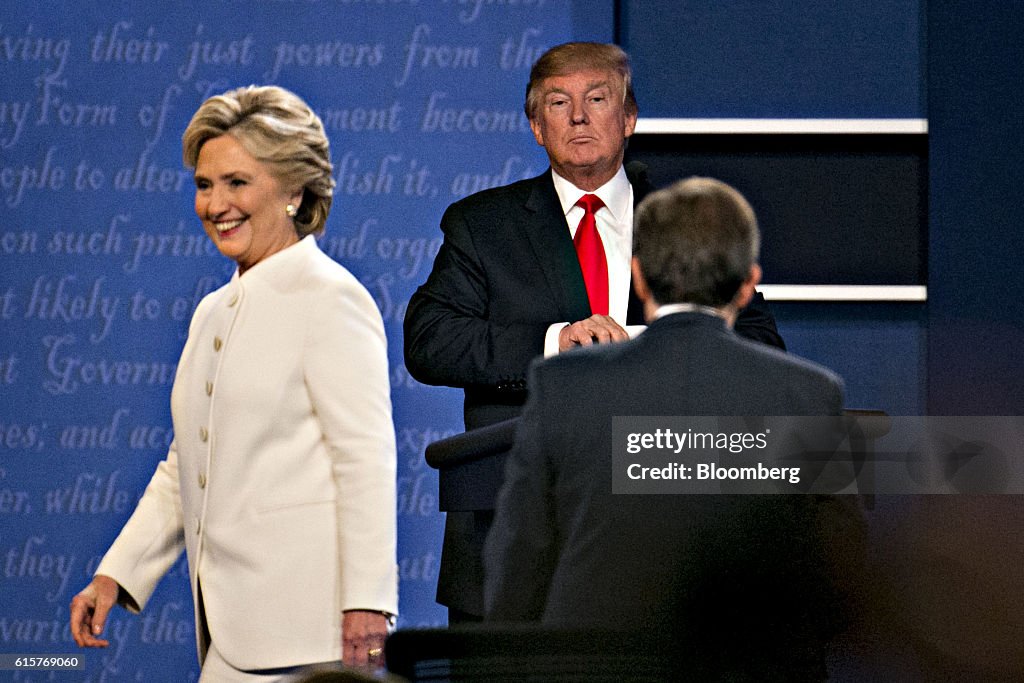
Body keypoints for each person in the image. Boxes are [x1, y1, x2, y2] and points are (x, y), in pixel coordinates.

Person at [403, 41, 783, 621]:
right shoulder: (482, 226)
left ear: (628, 118)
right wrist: (555, 341)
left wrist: (659, 344)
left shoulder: (688, 220)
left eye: (597, 99)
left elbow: (759, 342)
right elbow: (430, 341)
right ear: (536, 125)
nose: (579, 117)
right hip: (515, 546)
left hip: (667, 544)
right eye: (559, 102)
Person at [69, 86, 398, 680]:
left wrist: (367, 601)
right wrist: (116, 574)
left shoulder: (331, 298)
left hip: (312, 631)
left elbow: (364, 459)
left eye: (237, 183)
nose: (215, 204)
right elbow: (187, 463)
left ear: (294, 191)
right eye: (204, 184)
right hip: (229, 633)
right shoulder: (212, 312)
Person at [483, 177, 862, 679]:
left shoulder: (563, 386)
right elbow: (840, 571)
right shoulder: (808, 396)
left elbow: (518, 562)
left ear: (639, 278)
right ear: (749, 284)